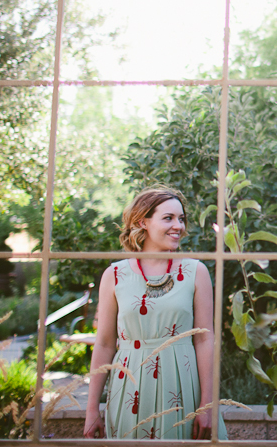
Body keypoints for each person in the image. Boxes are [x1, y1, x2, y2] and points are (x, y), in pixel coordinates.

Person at [83, 186, 227, 440]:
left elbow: (205, 340)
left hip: (182, 386)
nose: (178, 226)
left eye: (181, 219)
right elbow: (105, 344)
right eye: (168, 218)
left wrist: (207, 405)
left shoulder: (196, 272)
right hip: (130, 388)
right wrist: (92, 408)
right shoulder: (114, 275)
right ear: (143, 222)